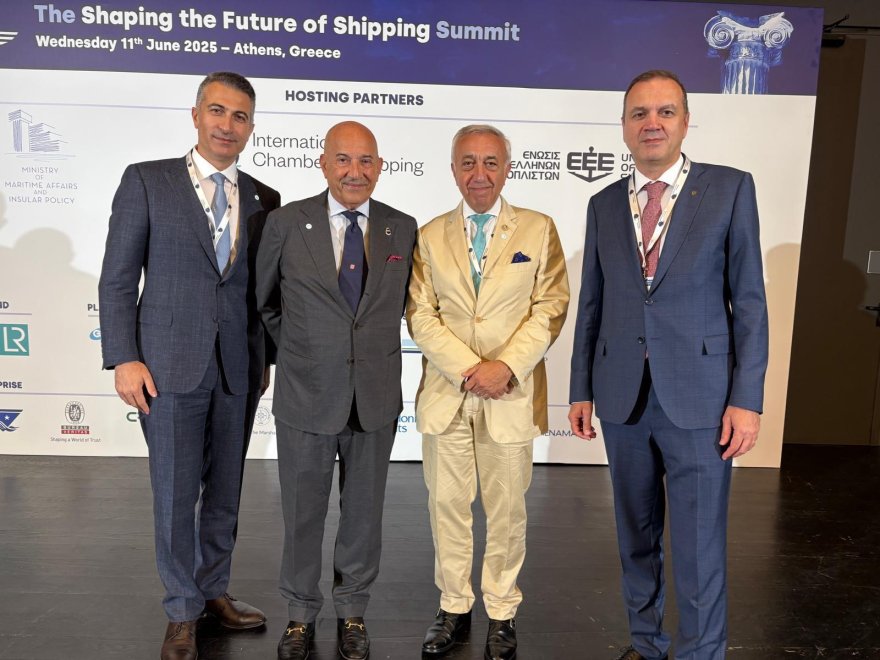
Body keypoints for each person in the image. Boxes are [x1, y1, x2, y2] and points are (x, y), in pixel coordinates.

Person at [568, 70, 769, 660]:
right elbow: (592, 302)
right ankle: (646, 644)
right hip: (622, 397)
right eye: (639, 113)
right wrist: (580, 388)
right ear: (624, 126)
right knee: (635, 536)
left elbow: (749, 302)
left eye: (664, 112)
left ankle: (700, 653)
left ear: (685, 122)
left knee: (699, 546)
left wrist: (746, 398)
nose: (651, 123)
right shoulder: (603, 203)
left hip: (703, 398)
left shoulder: (729, 189)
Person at [98, 71, 280, 660]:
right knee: (176, 494)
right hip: (167, 366)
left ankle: (212, 591)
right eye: (218, 111)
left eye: (240, 116)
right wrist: (124, 357)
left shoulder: (265, 199)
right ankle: (181, 610)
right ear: (196, 115)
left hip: (238, 369)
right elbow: (118, 279)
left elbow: (263, 293)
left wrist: (265, 359)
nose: (228, 125)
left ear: (251, 127)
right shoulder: (147, 181)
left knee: (225, 491)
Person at [407, 124, 569, 660]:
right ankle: (453, 606)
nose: (479, 174)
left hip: (510, 395)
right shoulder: (429, 235)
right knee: (447, 507)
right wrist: (468, 369)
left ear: (507, 168)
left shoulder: (538, 229)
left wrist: (506, 367)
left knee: (506, 512)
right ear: (454, 170)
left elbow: (551, 306)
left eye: (490, 162)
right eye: (469, 163)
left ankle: (502, 611)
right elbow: (420, 315)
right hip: (447, 394)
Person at [256, 121, 417, 660]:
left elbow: (405, 304)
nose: (355, 171)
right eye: (343, 159)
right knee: (302, 513)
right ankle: (300, 615)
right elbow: (265, 303)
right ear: (323, 164)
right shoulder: (285, 223)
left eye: (366, 160)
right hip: (306, 393)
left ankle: (352, 611)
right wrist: (302, 352)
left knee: (363, 516)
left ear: (380, 166)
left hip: (374, 396)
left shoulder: (401, 228)